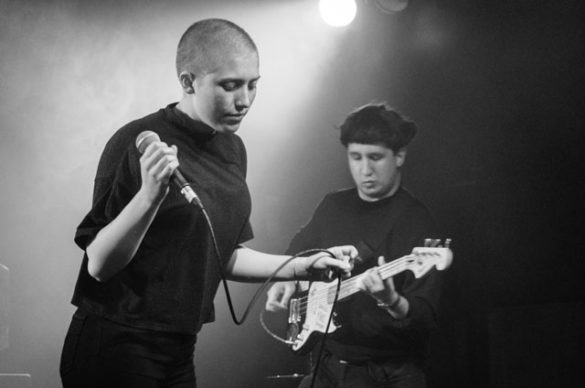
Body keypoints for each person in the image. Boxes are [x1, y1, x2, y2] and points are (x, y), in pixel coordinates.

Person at [60, 18, 356, 388]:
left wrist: (303, 266)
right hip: (116, 346)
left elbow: (223, 254)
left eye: (252, 85)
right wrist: (149, 196)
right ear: (188, 81)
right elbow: (100, 265)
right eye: (229, 86)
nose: (244, 100)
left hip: (179, 350)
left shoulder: (232, 148)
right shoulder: (136, 141)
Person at [265, 103, 445, 388]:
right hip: (329, 364)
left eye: (375, 157)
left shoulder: (417, 221)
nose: (365, 170)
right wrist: (287, 280)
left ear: (399, 156)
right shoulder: (332, 205)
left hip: (391, 373)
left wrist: (392, 300)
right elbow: (298, 250)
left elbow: (425, 318)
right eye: (355, 157)